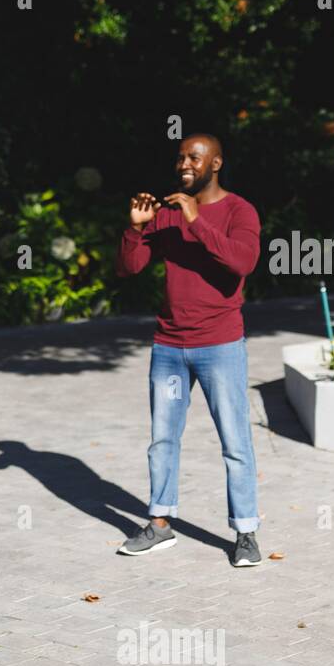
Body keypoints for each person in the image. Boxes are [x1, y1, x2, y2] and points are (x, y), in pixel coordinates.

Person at [115, 133, 264, 567]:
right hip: (169, 346)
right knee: (162, 440)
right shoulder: (166, 213)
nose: (184, 164)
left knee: (235, 442)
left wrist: (198, 221)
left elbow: (243, 262)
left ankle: (246, 531)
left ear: (215, 164)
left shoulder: (239, 210)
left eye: (194, 158)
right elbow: (130, 268)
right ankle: (160, 525)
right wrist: (137, 228)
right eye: (181, 157)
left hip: (220, 345)